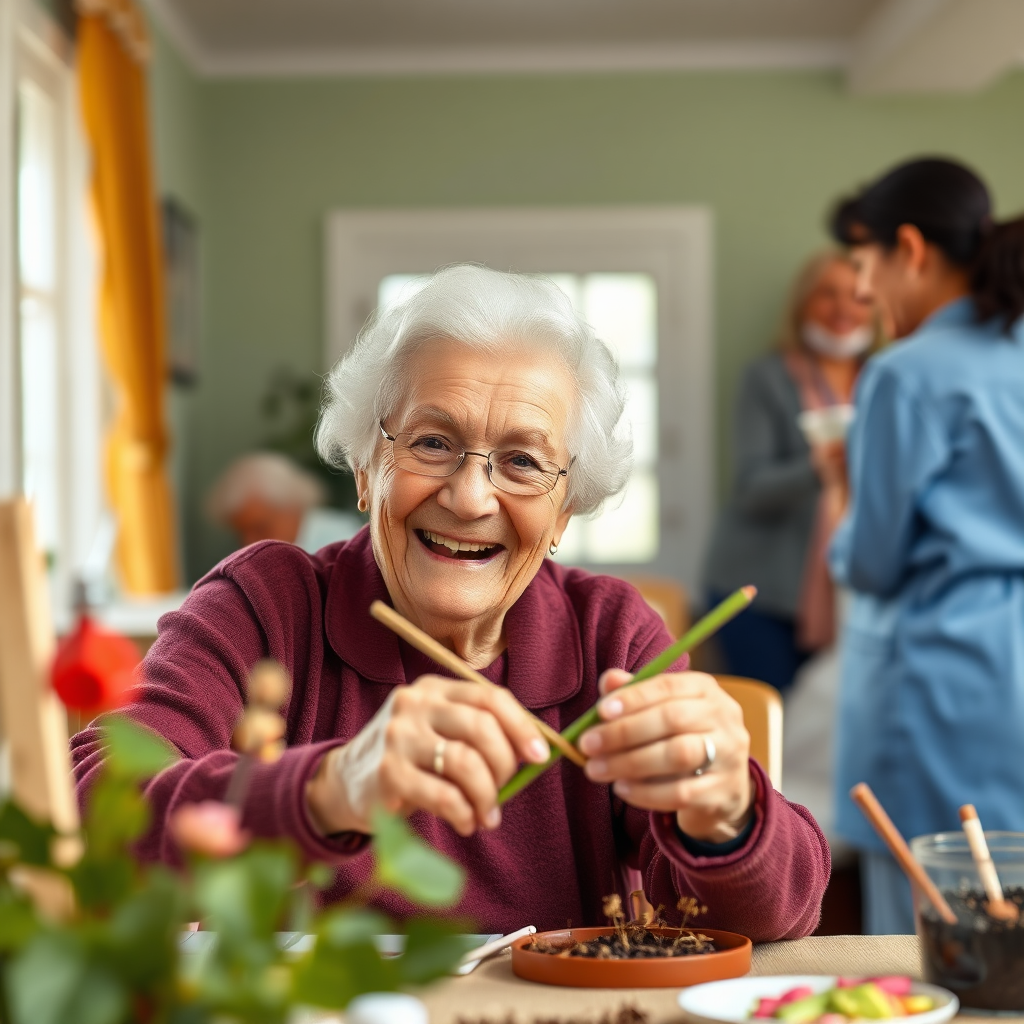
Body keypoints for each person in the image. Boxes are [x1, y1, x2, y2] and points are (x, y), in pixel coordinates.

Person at [72, 265, 829, 938]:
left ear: (565, 513)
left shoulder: (610, 635)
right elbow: (93, 811)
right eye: (432, 443)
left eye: (523, 462)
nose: (470, 498)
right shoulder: (265, 605)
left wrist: (727, 815)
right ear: (368, 466)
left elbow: (779, 910)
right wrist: (330, 788)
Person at [828, 157, 1024, 934]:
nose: (864, 293)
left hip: (938, 676)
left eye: (864, 265)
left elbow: (871, 560)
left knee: (919, 935)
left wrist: (839, 502)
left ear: (909, 248)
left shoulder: (906, 375)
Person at [704, 252, 881, 694]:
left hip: (853, 593)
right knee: (768, 722)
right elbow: (750, 489)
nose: (844, 308)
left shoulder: (885, 381)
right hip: (760, 591)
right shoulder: (766, 378)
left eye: (858, 296)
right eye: (828, 294)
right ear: (802, 303)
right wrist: (820, 469)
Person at [205, 451, 361, 552]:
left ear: (292, 507)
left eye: (260, 528)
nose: (248, 543)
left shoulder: (343, 543)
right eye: (240, 535)